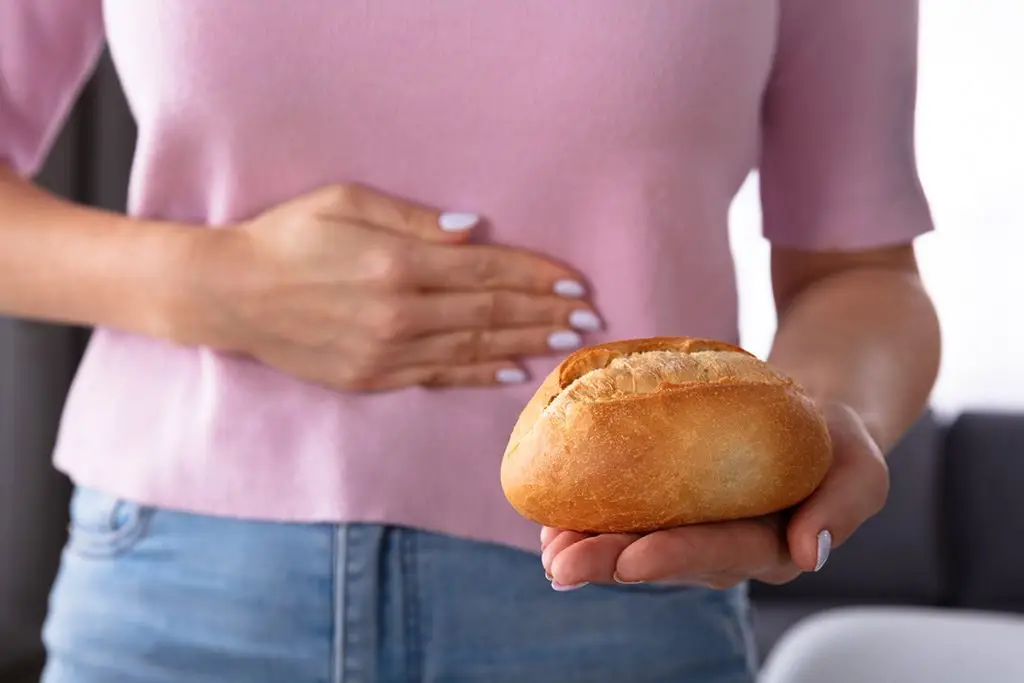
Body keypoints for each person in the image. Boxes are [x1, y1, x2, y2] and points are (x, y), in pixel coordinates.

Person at [0, 1, 940, 681]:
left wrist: (820, 421)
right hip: (178, 583)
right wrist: (215, 286)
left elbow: (862, 272)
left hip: (621, 602)